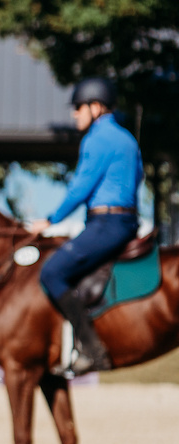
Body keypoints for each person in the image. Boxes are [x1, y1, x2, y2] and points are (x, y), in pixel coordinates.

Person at [29, 77, 143, 376]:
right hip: (127, 221)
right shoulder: (128, 139)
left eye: (78, 107)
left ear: (95, 107)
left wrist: (50, 220)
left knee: (52, 272)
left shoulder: (97, 139)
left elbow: (80, 188)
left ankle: (92, 350)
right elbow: (139, 177)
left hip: (106, 223)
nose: (74, 114)